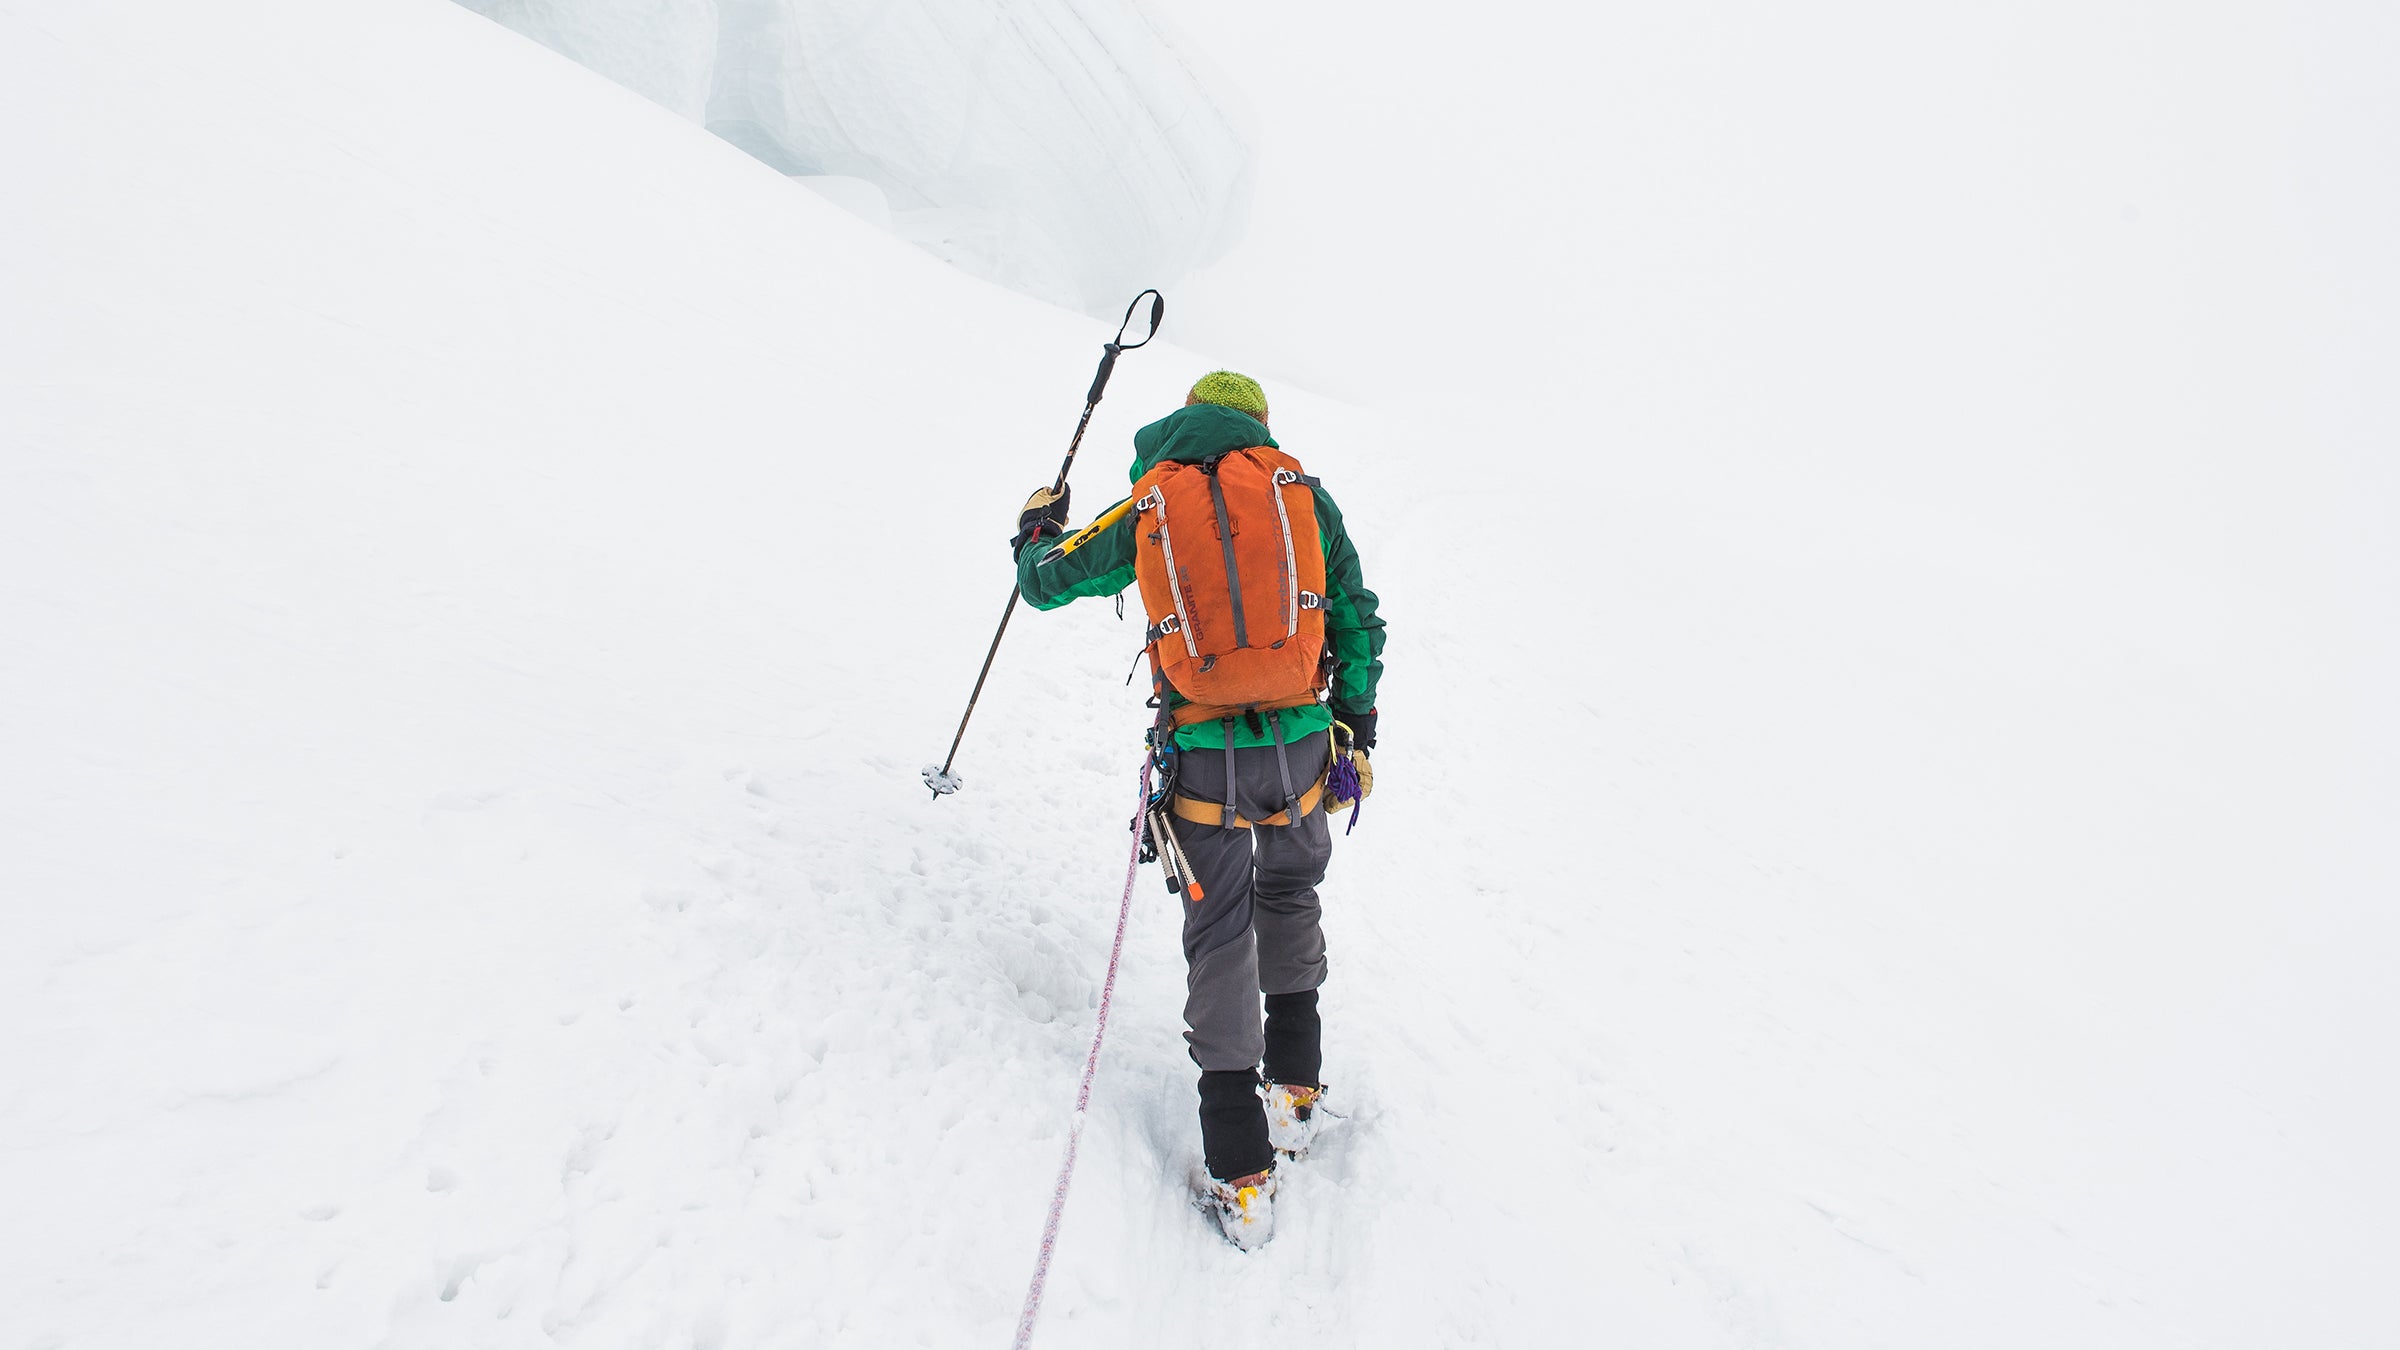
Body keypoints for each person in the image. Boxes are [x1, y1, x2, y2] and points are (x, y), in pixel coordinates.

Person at [1009, 370, 1384, 1247]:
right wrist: (1357, 719)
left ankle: (1241, 1174)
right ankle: (1294, 1095)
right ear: (1256, 424)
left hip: (1202, 757)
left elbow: (1048, 581)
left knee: (1220, 934)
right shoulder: (1303, 496)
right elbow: (1356, 613)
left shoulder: (1150, 501)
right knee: (1292, 897)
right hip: (1299, 746)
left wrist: (1036, 528)